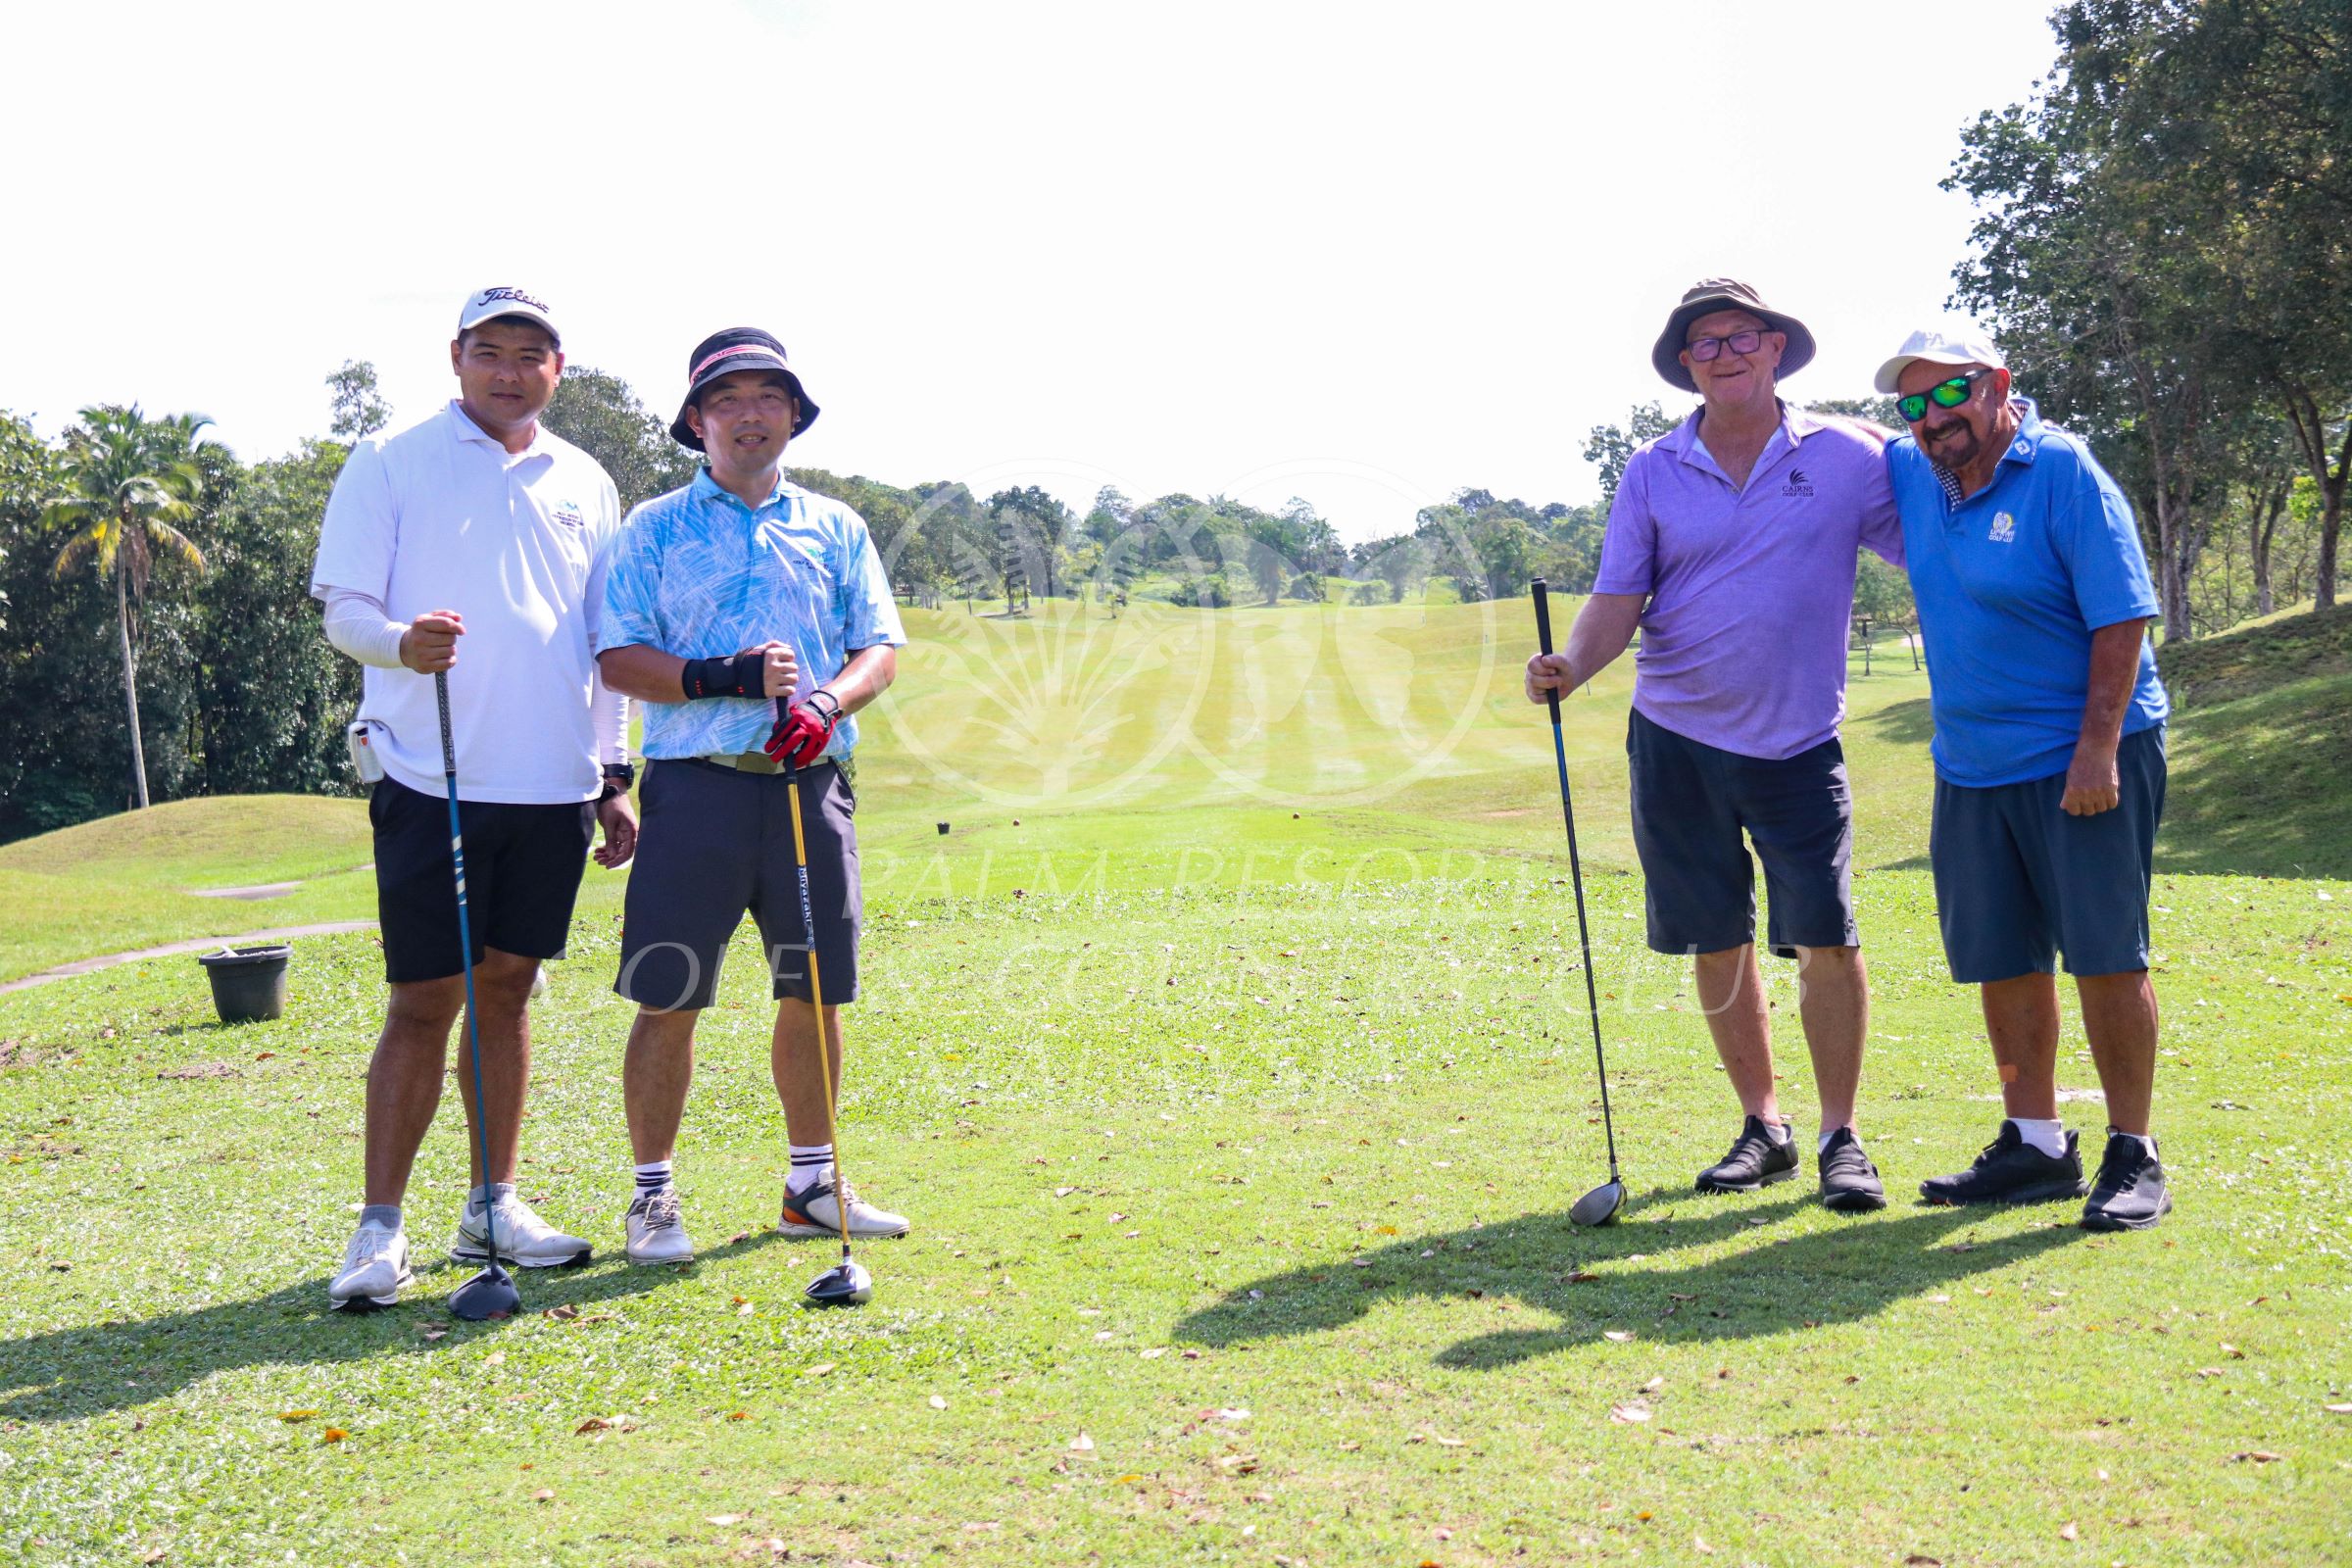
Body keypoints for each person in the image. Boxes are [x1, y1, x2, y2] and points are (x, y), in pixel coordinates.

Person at [1525, 279, 1904, 1211]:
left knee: (1826, 935)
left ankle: (1840, 1137)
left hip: (1798, 740)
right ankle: (1764, 1126)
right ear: (1686, 365)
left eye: (1744, 336)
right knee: (1716, 938)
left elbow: (1934, 552)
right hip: (1676, 735)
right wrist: (1571, 664)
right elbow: (1620, 600)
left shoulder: (1854, 455)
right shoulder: (1654, 469)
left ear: (1777, 348)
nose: (1727, 352)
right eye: (1706, 343)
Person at [312, 286, 636, 1309]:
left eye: (528, 353)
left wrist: (612, 773)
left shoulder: (586, 477)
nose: (508, 369)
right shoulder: (390, 456)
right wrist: (401, 643)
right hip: (428, 770)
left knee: (508, 989)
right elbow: (344, 609)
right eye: (488, 350)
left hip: (550, 783)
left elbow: (604, 644)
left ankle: (492, 1201)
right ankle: (379, 1229)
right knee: (423, 1000)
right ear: (457, 357)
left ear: (558, 366)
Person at [595, 327, 906, 1265]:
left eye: (769, 397)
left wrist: (828, 699)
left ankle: (812, 1185)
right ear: (697, 420)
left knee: (813, 992)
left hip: (809, 789)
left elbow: (879, 647)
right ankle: (652, 1199)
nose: (750, 413)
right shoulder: (651, 528)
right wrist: (719, 677)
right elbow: (617, 658)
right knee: (670, 994)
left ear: (793, 416)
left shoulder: (836, 526)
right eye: (728, 400)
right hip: (696, 791)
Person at [1878, 326, 2173, 1230]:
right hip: (1971, 766)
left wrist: (2096, 750)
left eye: (1951, 393)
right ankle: (2035, 1144)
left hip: (2084, 756)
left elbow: (2121, 617)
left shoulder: (2064, 470)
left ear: (1998, 383)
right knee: (2002, 959)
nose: (1934, 418)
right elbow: (1811, 435)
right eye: (1914, 404)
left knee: (2104, 954)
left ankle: (2135, 1152)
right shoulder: (1911, 472)